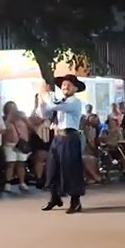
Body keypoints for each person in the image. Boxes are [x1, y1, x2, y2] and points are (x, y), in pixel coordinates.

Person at [37, 75, 88, 214]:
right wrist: (41, 100)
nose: (65, 87)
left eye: (69, 85)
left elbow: (54, 105)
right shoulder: (59, 101)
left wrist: (45, 94)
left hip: (70, 137)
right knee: (53, 168)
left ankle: (75, 201)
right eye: (64, 85)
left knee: (71, 169)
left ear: (75, 88)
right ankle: (55, 197)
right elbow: (43, 114)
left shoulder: (75, 102)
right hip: (58, 137)